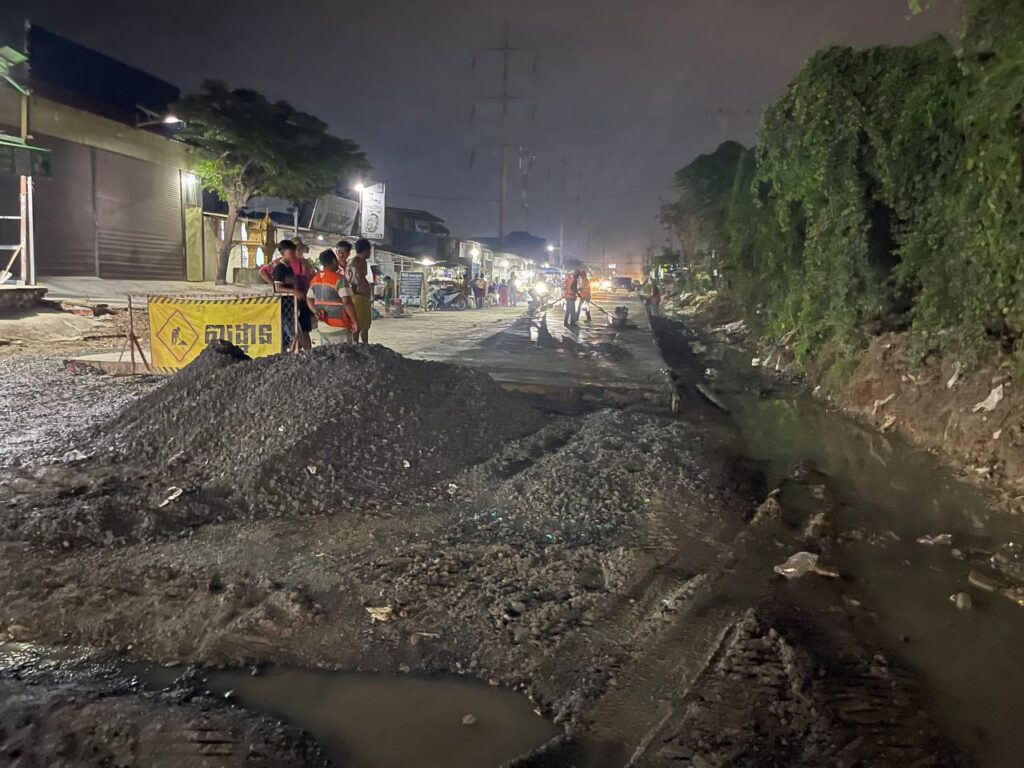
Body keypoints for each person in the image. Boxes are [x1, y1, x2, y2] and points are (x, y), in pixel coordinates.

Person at [307, 249, 358, 344]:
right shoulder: (339, 279)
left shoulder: (316, 278)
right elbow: (347, 302)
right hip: (340, 325)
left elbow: (309, 298)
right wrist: (354, 320)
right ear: (334, 261)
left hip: (323, 326)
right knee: (343, 356)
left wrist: (316, 311)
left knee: (327, 356)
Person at [271, 239, 313, 351]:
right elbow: (277, 288)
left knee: (296, 332)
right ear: (283, 253)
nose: (294, 254)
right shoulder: (279, 268)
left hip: (292, 306)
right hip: (284, 307)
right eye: (291, 252)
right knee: (292, 334)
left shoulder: (289, 268)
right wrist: (295, 292)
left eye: (294, 251)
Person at [348, 238, 374, 343]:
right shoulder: (357, 262)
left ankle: (364, 345)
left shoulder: (359, 261)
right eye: (369, 250)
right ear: (365, 250)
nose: (370, 253)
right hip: (359, 297)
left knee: (364, 326)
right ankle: (357, 346)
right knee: (358, 326)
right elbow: (354, 280)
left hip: (361, 297)